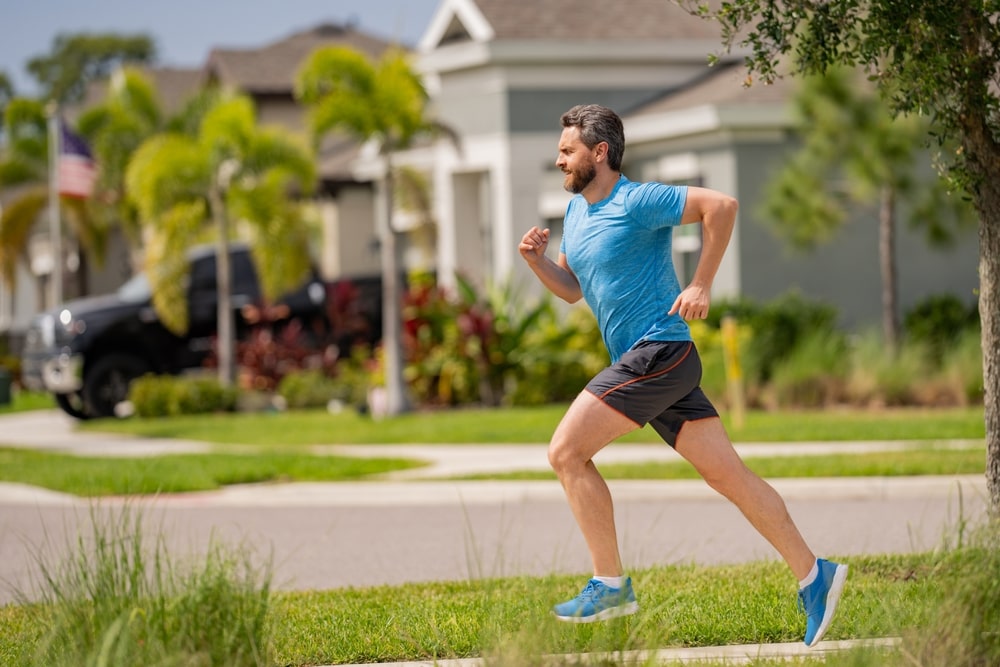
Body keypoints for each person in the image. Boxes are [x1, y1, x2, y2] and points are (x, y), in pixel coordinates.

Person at [518, 104, 847, 647]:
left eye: (567, 150)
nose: (559, 160)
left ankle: (610, 584)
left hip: (658, 351)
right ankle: (816, 577)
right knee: (729, 478)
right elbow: (574, 289)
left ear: (600, 153)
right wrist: (538, 262)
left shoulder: (637, 200)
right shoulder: (575, 213)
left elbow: (723, 205)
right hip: (651, 362)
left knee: (565, 452)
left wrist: (700, 284)